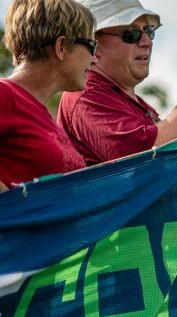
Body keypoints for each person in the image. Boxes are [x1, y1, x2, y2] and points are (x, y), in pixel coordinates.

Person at [57, 0, 177, 167]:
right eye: (131, 34)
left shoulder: (127, 100)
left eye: (149, 31)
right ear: (94, 46)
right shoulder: (87, 95)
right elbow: (148, 154)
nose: (146, 42)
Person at [1, 0, 94, 189]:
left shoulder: (47, 120)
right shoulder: (5, 94)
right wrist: (12, 206)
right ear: (61, 47)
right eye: (92, 45)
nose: (95, 58)